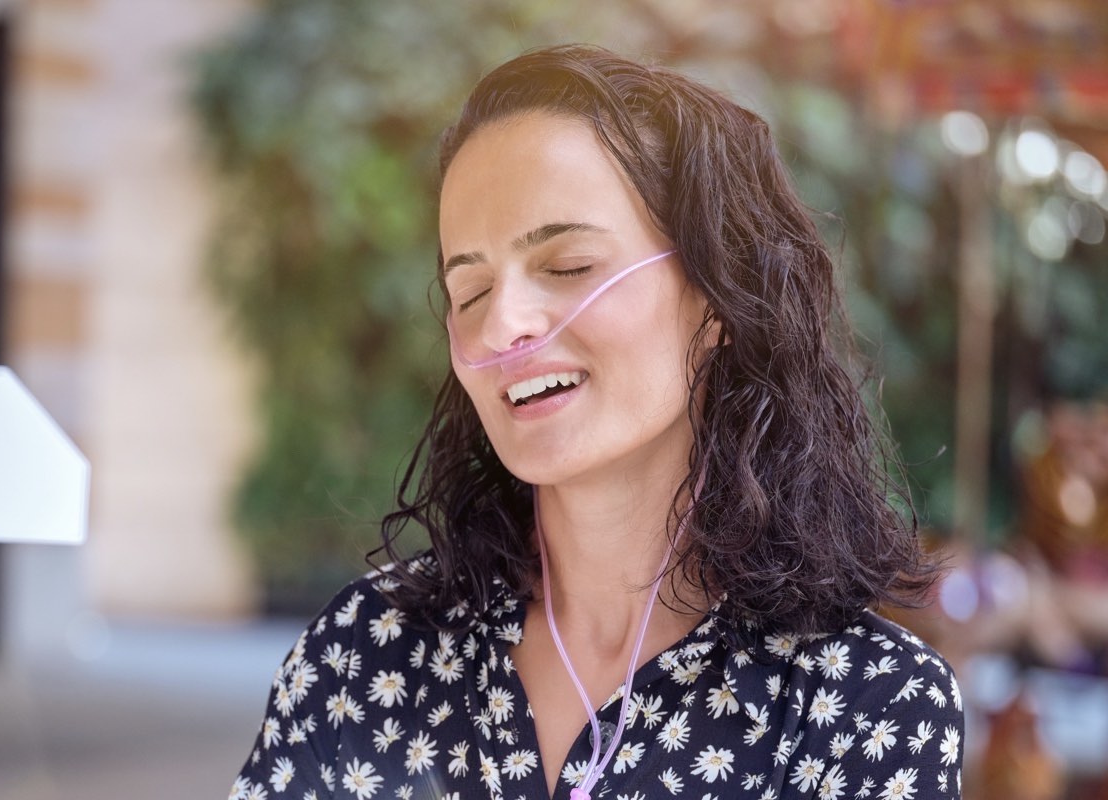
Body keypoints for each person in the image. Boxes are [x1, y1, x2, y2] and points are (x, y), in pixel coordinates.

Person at [231, 45, 964, 800]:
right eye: (471, 289)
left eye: (568, 265)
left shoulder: (864, 707)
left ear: (716, 298)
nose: (502, 327)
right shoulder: (364, 657)